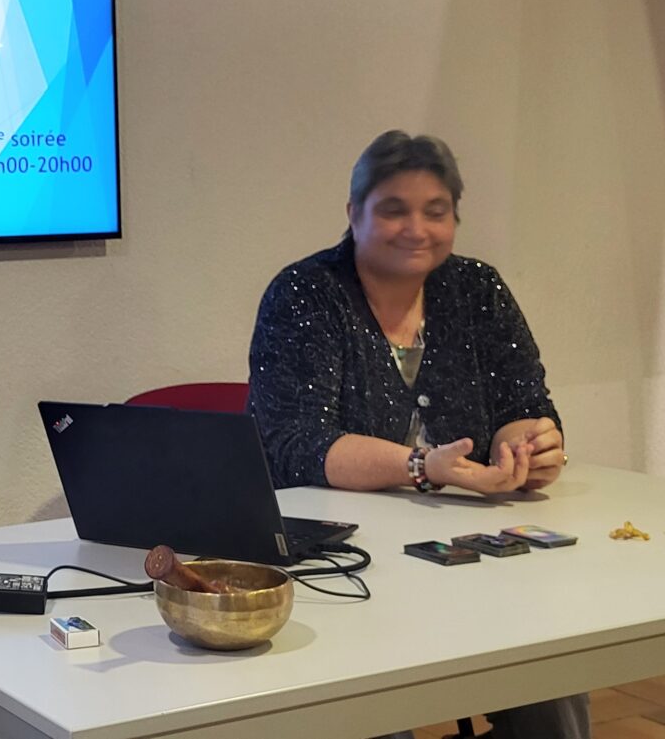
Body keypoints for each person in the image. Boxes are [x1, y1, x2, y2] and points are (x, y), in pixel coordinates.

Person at [246, 131, 584, 739]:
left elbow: (524, 401)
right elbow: (293, 445)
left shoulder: (477, 288)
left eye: (436, 211)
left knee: (551, 663)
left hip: (472, 549)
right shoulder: (306, 294)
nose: (417, 229)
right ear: (354, 214)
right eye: (394, 209)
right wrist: (424, 467)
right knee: (372, 704)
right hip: (345, 562)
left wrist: (527, 447)